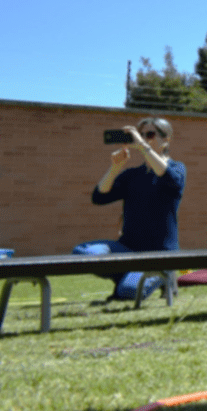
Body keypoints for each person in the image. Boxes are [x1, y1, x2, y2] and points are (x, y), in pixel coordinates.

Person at [73, 117, 185, 301]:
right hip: (128, 251)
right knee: (82, 253)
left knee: (128, 292)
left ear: (167, 140)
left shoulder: (177, 168)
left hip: (160, 254)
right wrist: (115, 168)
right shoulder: (132, 175)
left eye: (149, 134)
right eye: (140, 135)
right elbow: (99, 197)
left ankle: (163, 277)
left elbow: (170, 178)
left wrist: (142, 146)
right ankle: (127, 277)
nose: (143, 139)